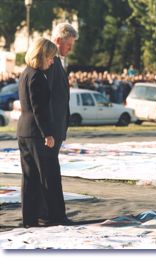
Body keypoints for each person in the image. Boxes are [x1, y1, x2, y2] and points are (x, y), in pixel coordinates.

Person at [17, 38, 58, 228]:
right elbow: (38, 108)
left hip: (24, 131)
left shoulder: (26, 73)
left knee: (29, 178)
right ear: (41, 55)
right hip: (35, 133)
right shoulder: (37, 76)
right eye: (50, 57)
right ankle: (51, 216)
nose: (52, 61)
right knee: (44, 176)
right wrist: (47, 134)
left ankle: (29, 220)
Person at [43, 23, 78, 225]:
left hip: (56, 128)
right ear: (58, 41)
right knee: (49, 174)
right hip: (51, 129)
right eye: (69, 44)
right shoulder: (50, 63)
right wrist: (49, 130)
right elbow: (46, 99)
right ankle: (52, 214)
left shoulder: (57, 63)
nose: (70, 49)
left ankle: (52, 213)